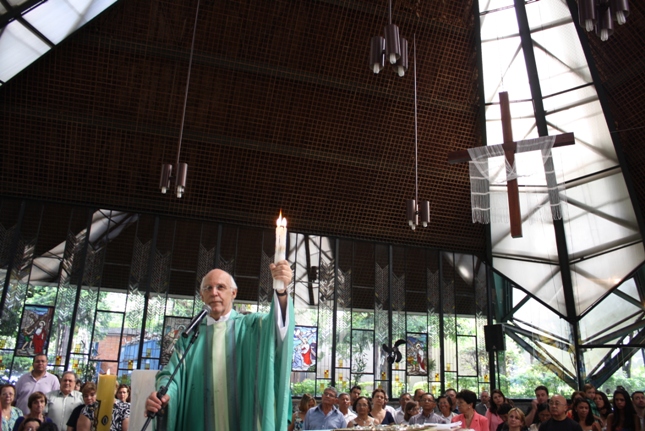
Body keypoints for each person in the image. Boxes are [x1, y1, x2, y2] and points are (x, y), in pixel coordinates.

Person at [145, 261, 295, 431]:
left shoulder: (252, 326)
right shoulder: (190, 336)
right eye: (208, 288)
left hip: (244, 420)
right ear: (202, 296)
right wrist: (163, 395)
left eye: (221, 287)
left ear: (233, 293)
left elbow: (277, 330)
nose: (214, 292)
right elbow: (172, 375)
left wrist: (281, 291)